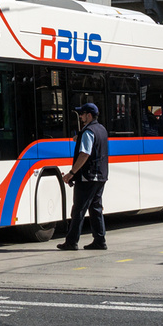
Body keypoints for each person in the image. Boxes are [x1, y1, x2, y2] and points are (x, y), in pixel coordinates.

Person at [57, 102, 108, 252]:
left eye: (82, 114)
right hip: (101, 176)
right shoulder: (101, 129)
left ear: (89, 115)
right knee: (95, 208)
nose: (80, 116)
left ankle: (71, 242)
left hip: (88, 176)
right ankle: (100, 240)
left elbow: (85, 153)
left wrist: (71, 173)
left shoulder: (89, 132)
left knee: (78, 209)